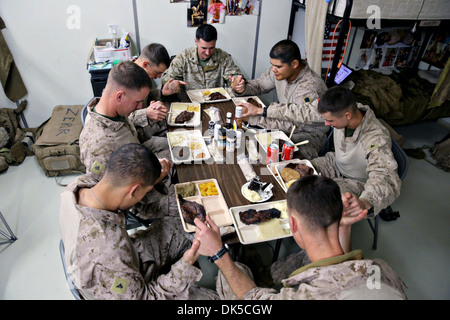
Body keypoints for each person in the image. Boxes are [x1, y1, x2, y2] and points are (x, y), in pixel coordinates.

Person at [194, 175, 407, 299]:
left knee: (230, 274)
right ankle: (268, 275)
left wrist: (218, 253)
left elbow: (252, 298)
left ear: (292, 224)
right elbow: (346, 269)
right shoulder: (381, 269)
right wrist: (343, 229)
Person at [60, 143, 218, 300]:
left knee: (181, 225)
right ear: (134, 189)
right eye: (145, 192)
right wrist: (186, 263)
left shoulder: (79, 185)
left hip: (127, 256)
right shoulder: (107, 251)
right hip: (120, 286)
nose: (145, 195)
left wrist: (153, 179)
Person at [79, 61, 175, 219]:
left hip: (143, 171)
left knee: (182, 153)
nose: (139, 107)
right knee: (192, 203)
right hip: (140, 203)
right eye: (137, 102)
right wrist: (156, 179)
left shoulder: (114, 112)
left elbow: (132, 136)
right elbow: (117, 200)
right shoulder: (99, 145)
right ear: (120, 96)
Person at [310, 86, 402, 216]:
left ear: (347, 116)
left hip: (357, 181)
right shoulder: (346, 110)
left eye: (330, 121)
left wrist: (365, 202)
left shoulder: (374, 138)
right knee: (298, 172)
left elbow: (385, 175)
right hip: (336, 163)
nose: (326, 124)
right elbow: (308, 111)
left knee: (320, 202)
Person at [230, 39, 328, 159]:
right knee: (249, 146)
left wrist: (254, 119)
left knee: (286, 159)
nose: (273, 69)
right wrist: (242, 88)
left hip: (309, 133)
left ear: (294, 64)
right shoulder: (279, 72)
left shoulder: (309, 86)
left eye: (278, 66)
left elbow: (295, 125)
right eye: (272, 65)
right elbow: (260, 85)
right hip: (284, 123)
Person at [161, 24, 242, 95]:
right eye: (204, 48)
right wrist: (171, 83)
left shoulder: (223, 57)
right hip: (189, 102)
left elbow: (234, 76)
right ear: (196, 42)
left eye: (211, 48)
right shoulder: (184, 57)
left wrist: (237, 82)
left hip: (216, 101)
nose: (207, 52)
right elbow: (167, 76)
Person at [133, 43, 171, 141]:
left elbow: (146, 97)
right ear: (145, 64)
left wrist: (161, 92)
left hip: (148, 128)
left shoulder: (143, 74)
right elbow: (119, 120)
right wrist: (146, 113)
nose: (159, 77)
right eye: (157, 72)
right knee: (172, 146)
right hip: (134, 137)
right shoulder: (125, 80)